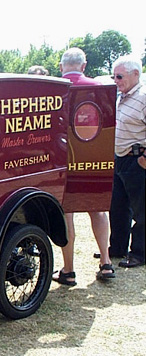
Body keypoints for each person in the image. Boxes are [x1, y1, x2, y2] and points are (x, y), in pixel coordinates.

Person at [53, 47, 114, 286]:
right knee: (97, 209)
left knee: (66, 213)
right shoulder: (99, 88)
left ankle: (68, 270)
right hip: (93, 159)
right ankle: (106, 262)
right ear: (84, 65)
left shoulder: (53, 89)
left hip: (61, 160)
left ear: (61, 67)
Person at [108, 55, 145, 268]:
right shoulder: (121, 96)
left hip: (136, 160)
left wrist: (144, 159)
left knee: (142, 211)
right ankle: (117, 247)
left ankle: (139, 253)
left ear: (135, 74)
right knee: (118, 207)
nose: (116, 81)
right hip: (119, 159)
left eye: (120, 76)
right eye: (114, 76)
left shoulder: (143, 97)